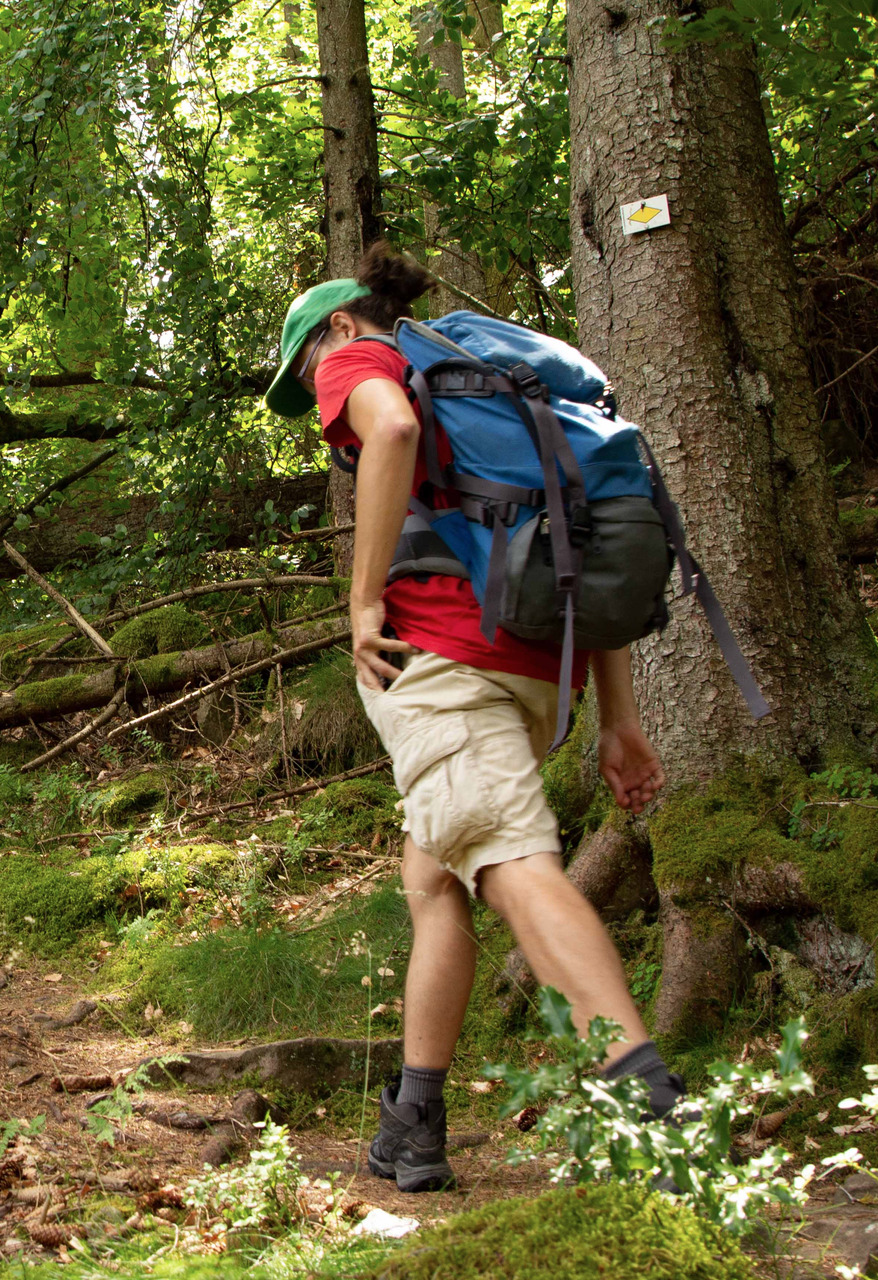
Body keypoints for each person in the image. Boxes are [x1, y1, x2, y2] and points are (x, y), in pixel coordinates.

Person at [264, 243, 675, 1193]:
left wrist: (364, 601)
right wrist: (619, 719)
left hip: (443, 663)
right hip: (537, 667)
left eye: (303, 375)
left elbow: (394, 432)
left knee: (506, 861)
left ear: (336, 327)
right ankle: (415, 1120)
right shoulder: (505, 396)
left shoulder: (364, 359)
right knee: (435, 881)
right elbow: (576, 560)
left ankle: (649, 1105)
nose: (313, 398)